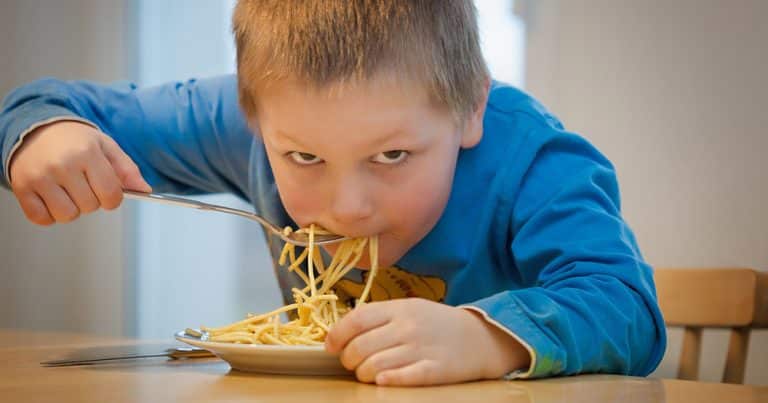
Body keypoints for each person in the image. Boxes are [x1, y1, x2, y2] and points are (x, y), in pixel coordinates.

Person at [0, 0, 665, 386]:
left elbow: (627, 306)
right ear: (255, 119)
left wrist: (485, 339)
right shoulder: (253, 116)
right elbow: (49, 104)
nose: (347, 207)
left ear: (470, 110)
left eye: (392, 155)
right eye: (304, 157)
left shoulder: (533, 160)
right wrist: (43, 134)